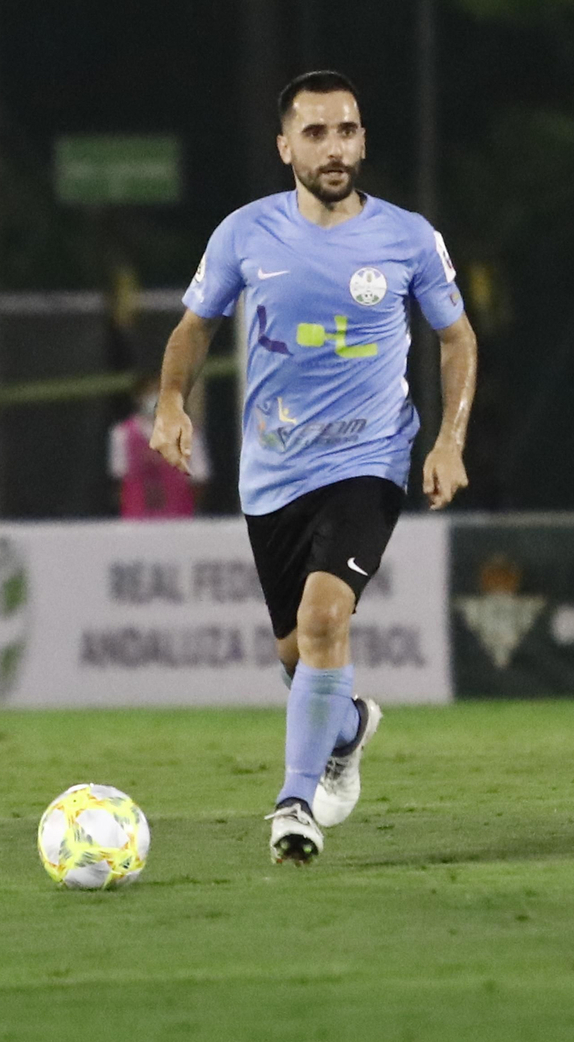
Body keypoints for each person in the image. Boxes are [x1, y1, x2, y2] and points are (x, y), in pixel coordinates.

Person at [150, 70, 478, 865]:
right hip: (272, 474)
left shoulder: (407, 237)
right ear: (285, 146)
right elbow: (193, 330)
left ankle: (293, 804)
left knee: (328, 619)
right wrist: (169, 400)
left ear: (363, 140)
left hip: (370, 459)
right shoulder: (243, 235)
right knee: (298, 658)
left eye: (348, 131)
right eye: (317, 133)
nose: (335, 148)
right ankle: (350, 725)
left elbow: (457, 338)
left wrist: (447, 439)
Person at [109, 373, 208, 518]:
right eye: (150, 391)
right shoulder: (122, 434)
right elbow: (119, 482)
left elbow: (199, 481)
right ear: (138, 397)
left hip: (180, 519)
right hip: (135, 520)